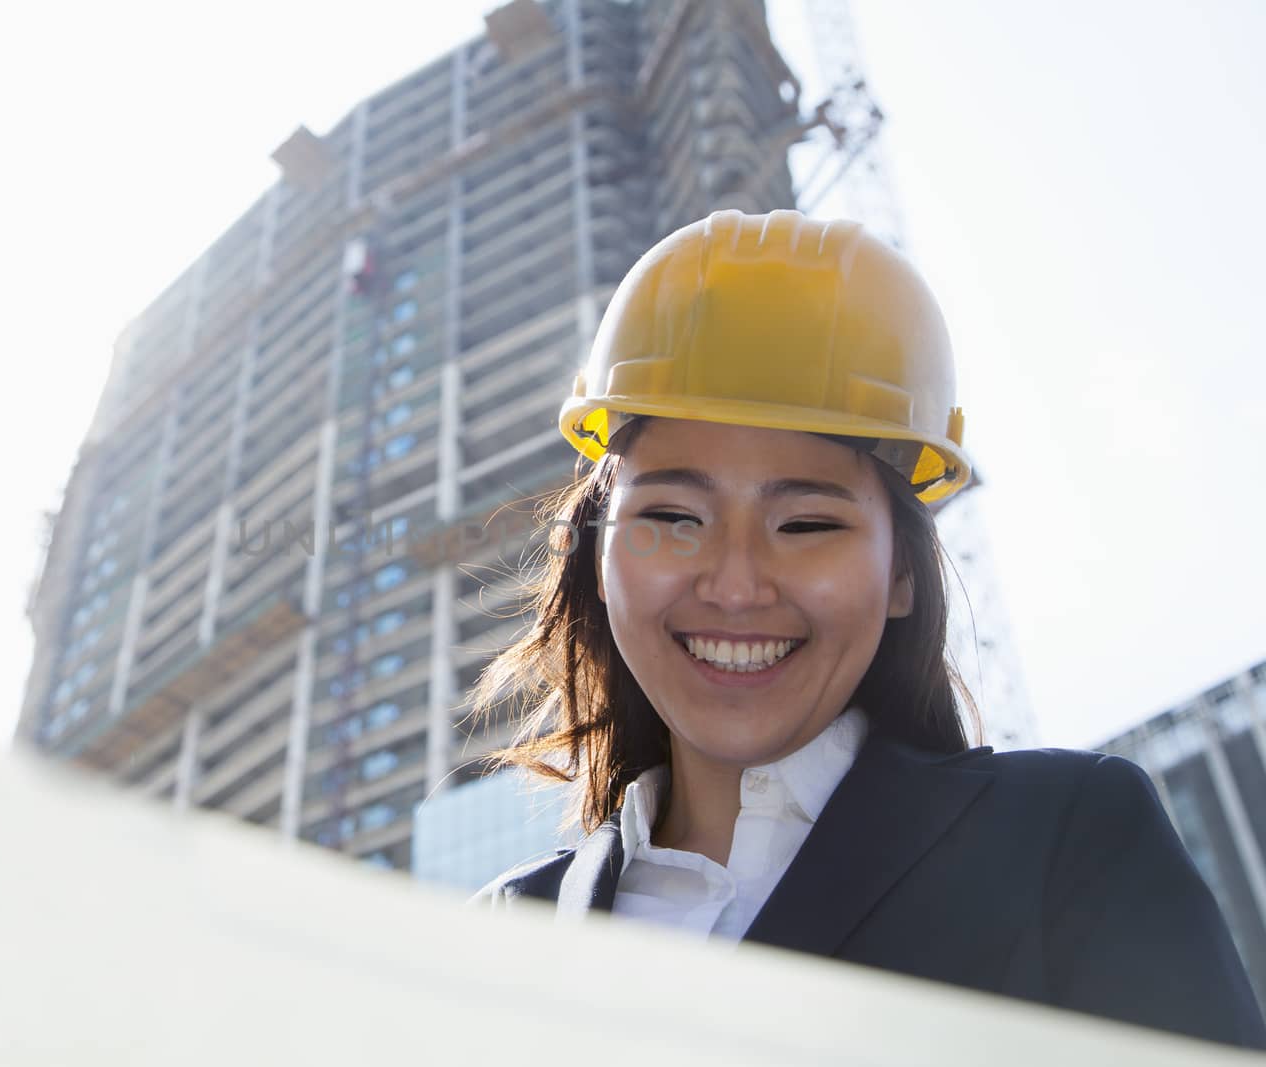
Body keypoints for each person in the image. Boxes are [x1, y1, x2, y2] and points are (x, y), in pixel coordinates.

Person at [466, 209, 1266, 1049]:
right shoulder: (501, 938)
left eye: (806, 524)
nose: (735, 583)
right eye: (672, 514)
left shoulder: (1064, 840)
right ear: (598, 556)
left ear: (903, 576)